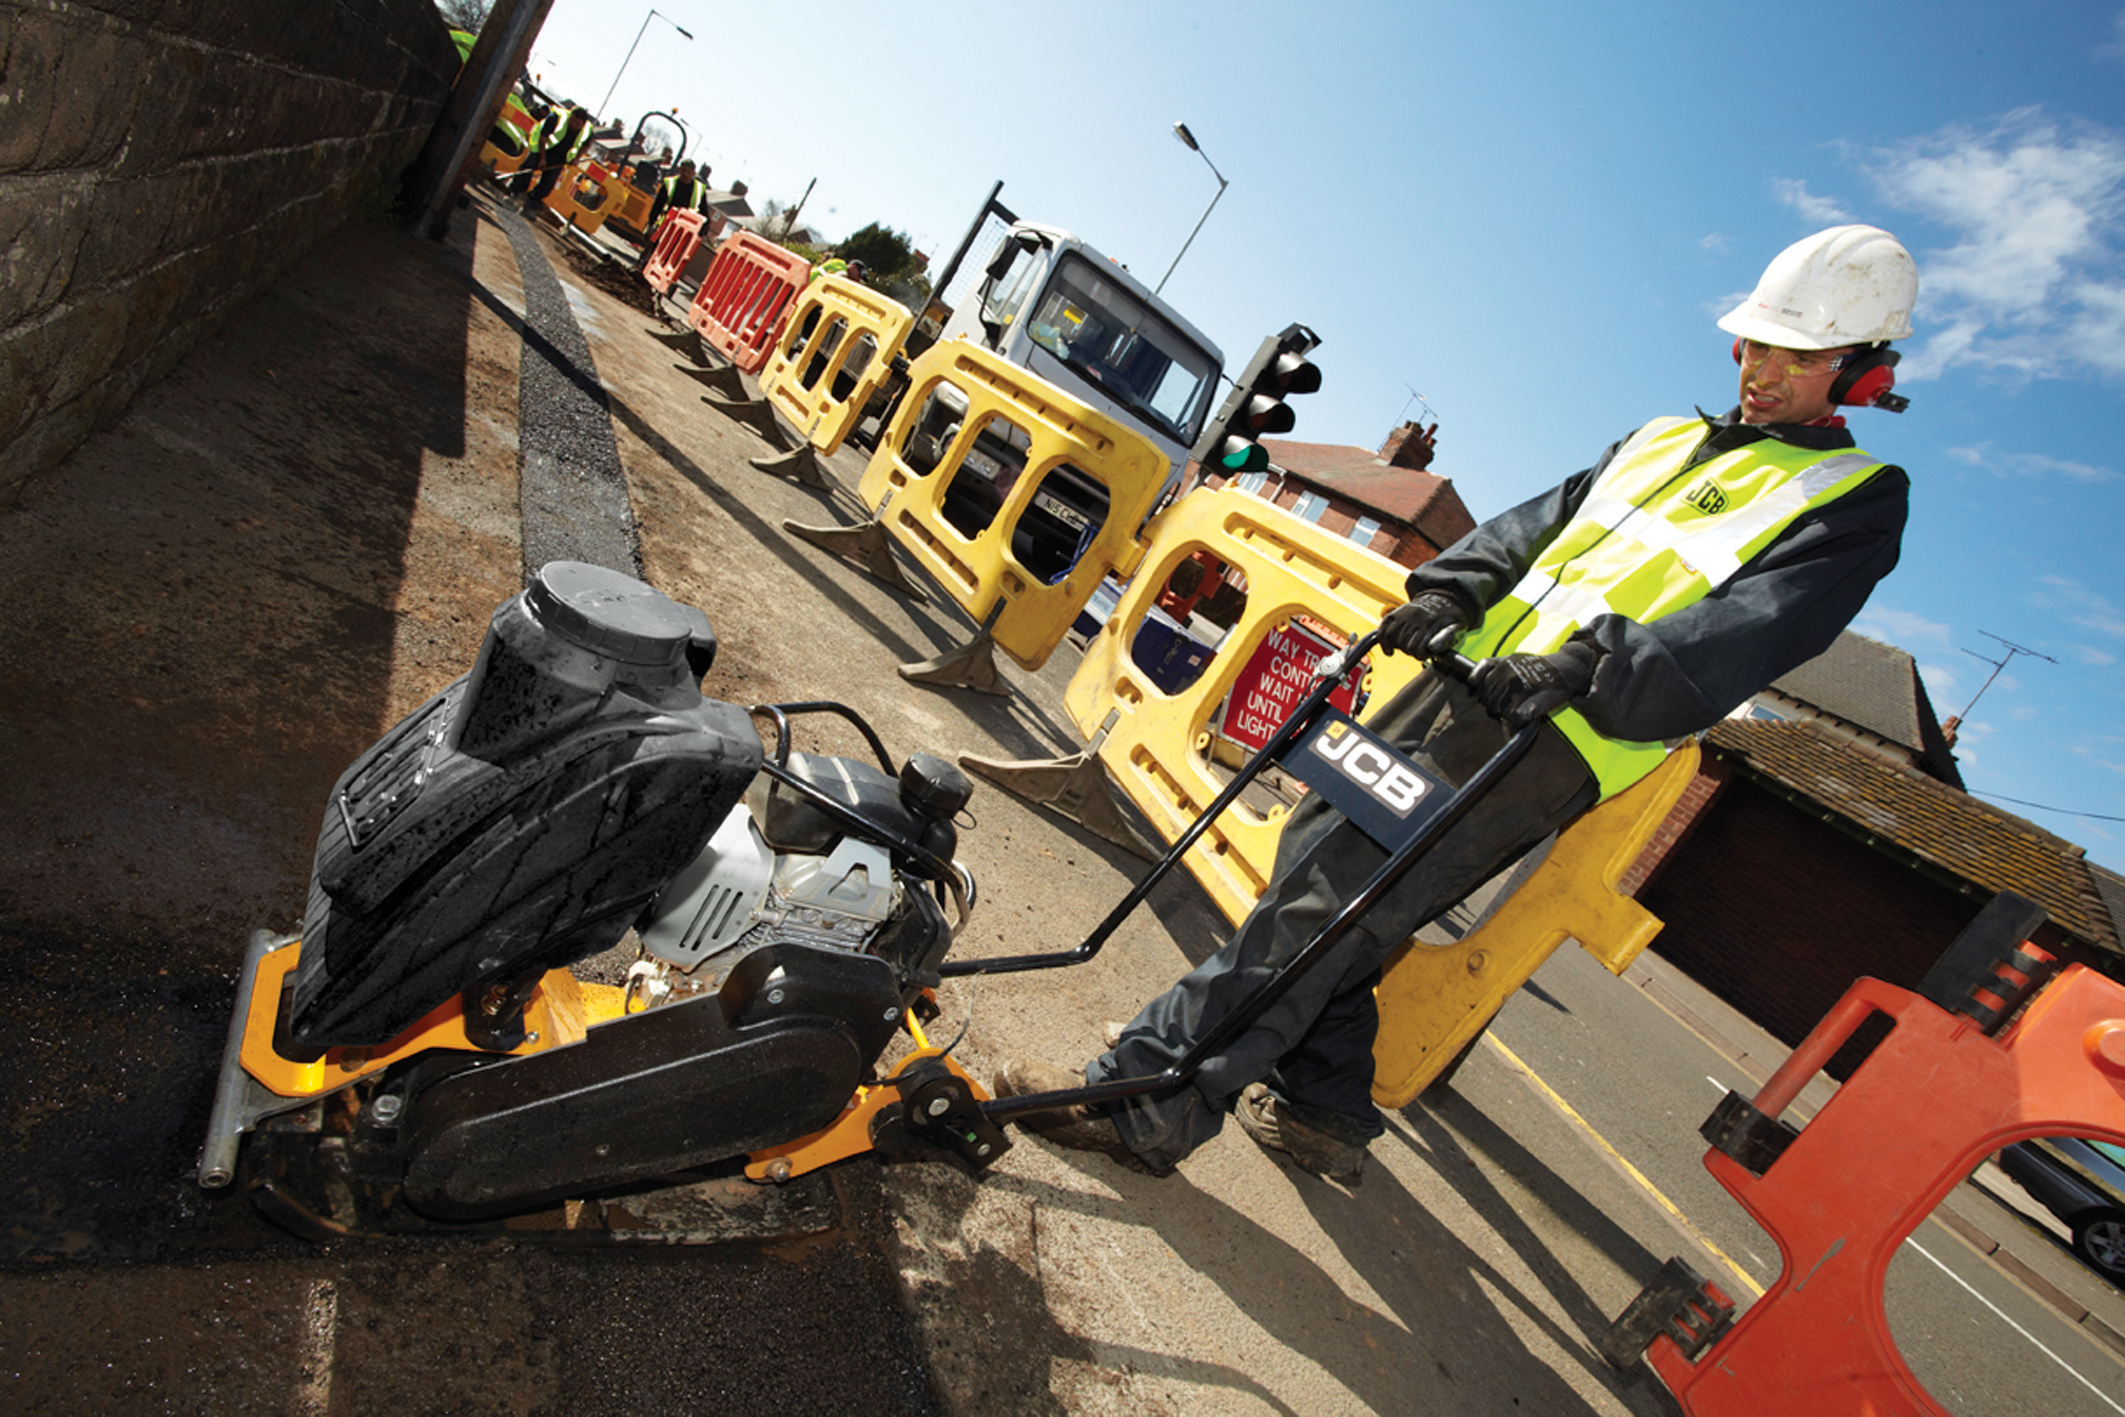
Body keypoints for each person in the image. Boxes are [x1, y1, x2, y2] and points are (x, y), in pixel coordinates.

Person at [996, 224, 1921, 1181]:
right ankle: (1325, 1108)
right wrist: (1448, 587)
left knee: (1334, 899)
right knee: (1318, 859)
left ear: (1859, 373)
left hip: (1560, 733)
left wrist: (1579, 664)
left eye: (1800, 357)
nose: (1764, 369)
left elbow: (1750, 630)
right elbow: (1534, 526)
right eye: (1759, 342)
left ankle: (1144, 1098)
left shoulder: (1849, 498)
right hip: (1461, 683)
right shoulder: (1663, 439)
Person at [509, 104, 593, 213]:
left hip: (560, 156)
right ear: (570, 115)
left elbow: (586, 145)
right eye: (572, 120)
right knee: (527, 169)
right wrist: (542, 159)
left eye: (577, 124)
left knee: (548, 184)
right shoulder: (556, 118)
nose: (573, 124)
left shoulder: (587, 131)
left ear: (582, 124)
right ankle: (515, 194)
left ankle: (530, 205)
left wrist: (577, 158)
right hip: (542, 147)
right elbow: (542, 137)